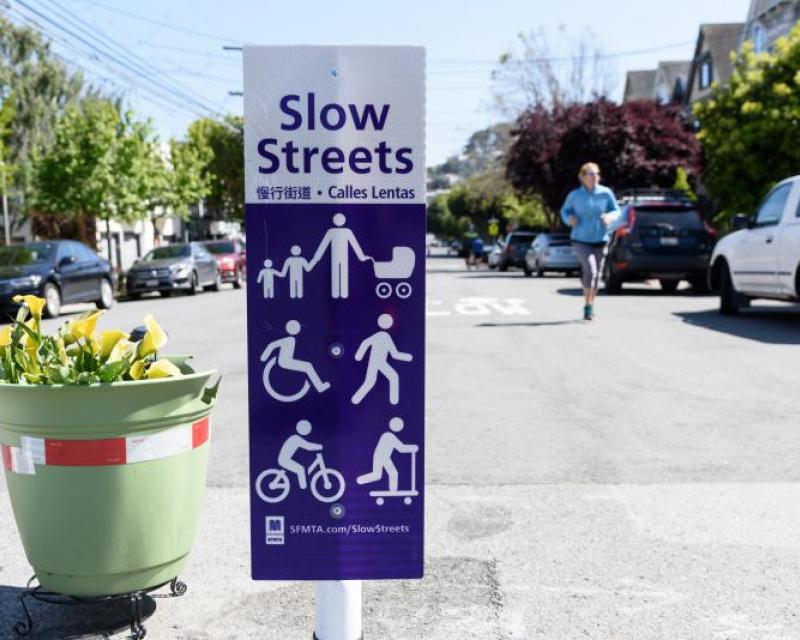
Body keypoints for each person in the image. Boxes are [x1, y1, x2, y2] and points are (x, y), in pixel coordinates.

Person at [560, 162, 620, 321]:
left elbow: (617, 210)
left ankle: (590, 304)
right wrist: (569, 219)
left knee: (597, 276)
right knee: (591, 270)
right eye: (591, 174)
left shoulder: (606, 193)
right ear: (582, 177)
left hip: (601, 239)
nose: (595, 177)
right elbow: (564, 211)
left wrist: (610, 217)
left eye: (597, 174)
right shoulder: (575, 195)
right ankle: (587, 304)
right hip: (580, 240)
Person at [351, 313, 413, 406]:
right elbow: (366, 343)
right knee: (372, 382)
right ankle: (355, 400)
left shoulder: (385, 336)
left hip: (381, 363)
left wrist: (407, 357)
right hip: (375, 363)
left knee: (391, 377)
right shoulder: (381, 336)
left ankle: (394, 402)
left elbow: (394, 354)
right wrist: (358, 356)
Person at [309, 213, 372, 299]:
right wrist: (361, 257)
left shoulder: (343, 232)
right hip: (337, 256)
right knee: (338, 272)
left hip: (341, 256)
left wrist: (361, 257)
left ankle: (341, 293)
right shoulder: (334, 232)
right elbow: (324, 244)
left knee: (341, 272)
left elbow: (354, 244)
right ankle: (339, 293)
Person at [357, 417, 418, 492]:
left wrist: (412, 448)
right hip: (381, 457)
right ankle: (359, 480)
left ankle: (392, 491)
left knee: (381, 475)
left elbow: (401, 448)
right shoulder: (389, 436)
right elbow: (401, 448)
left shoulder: (389, 435)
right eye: (398, 425)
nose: (400, 427)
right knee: (387, 474)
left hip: (384, 457)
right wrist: (413, 448)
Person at [277, 420, 323, 490]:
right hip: (284, 460)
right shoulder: (295, 438)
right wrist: (320, 446)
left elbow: (307, 445)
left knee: (300, 469)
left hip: (285, 459)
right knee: (300, 469)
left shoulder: (295, 437)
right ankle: (303, 488)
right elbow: (308, 446)